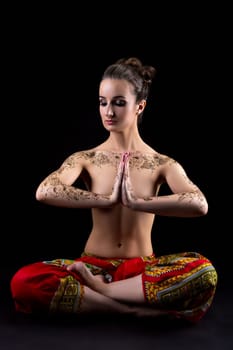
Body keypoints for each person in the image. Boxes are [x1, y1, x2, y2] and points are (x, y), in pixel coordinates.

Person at [10, 57, 217, 322]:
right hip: (92, 267)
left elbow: (199, 203)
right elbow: (46, 190)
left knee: (204, 272)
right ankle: (126, 308)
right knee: (24, 281)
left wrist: (138, 203)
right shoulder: (86, 158)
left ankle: (104, 293)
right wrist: (105, 199)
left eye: (119, 103)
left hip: (142, 270)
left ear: (139, 106)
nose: (109, 111)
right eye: (103, 102)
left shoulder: (161, 163)